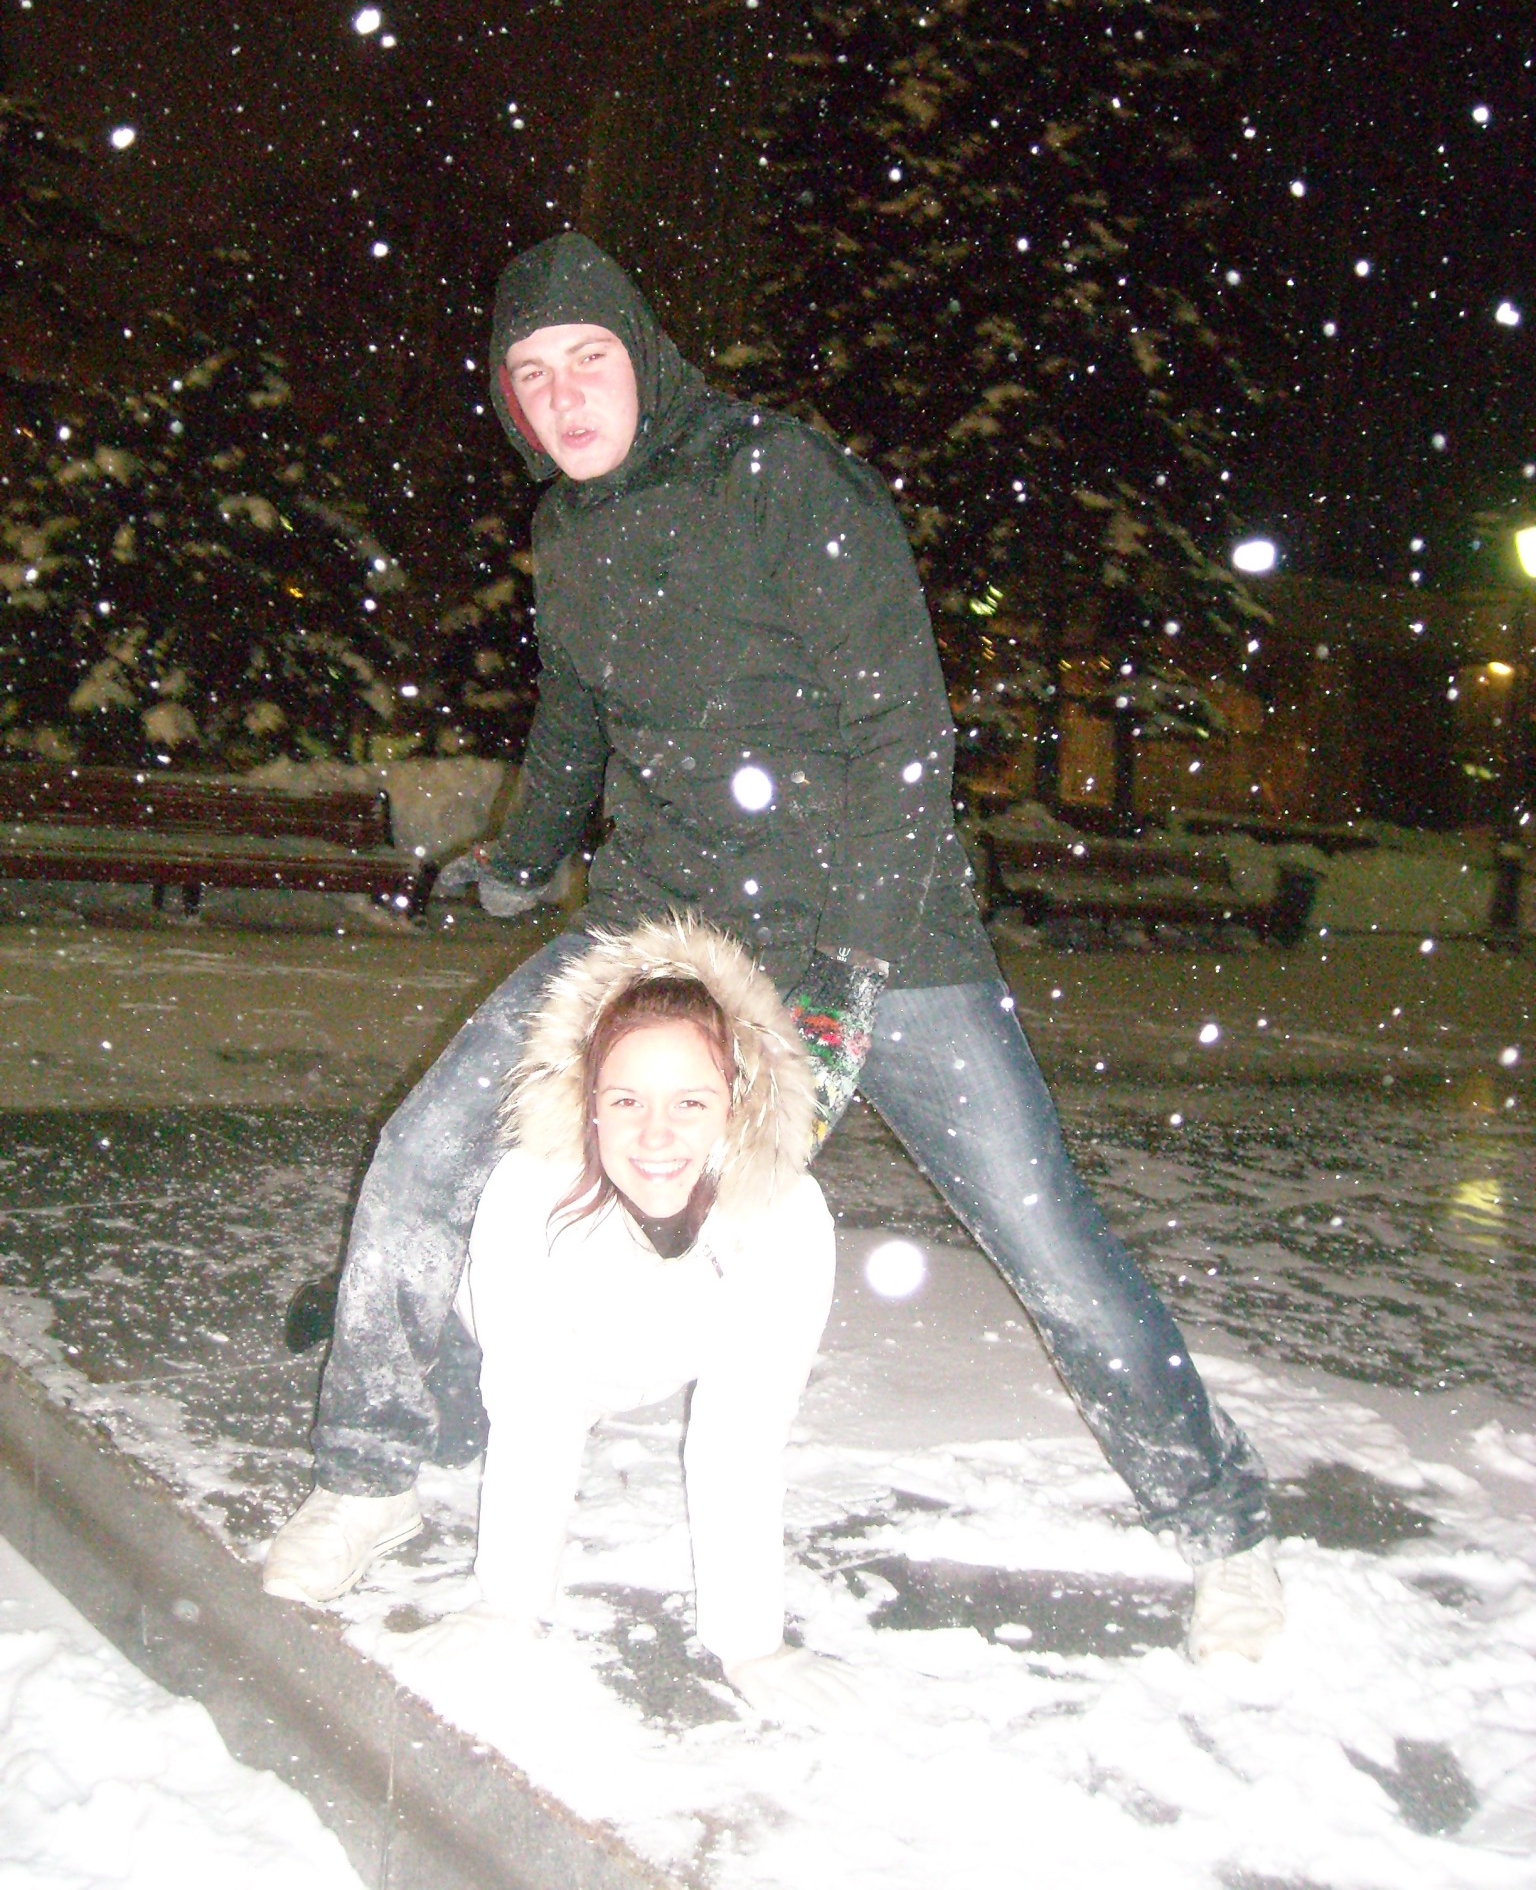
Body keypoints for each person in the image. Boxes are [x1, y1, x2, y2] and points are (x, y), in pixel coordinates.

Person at [263, 233, 1282, 1664]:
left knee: (1041, 1226)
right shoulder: (568, 530)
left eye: (589, 359)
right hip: (659, 918)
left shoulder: (783, 479)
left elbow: (900, 734)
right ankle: (373, 1471)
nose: (564, 397)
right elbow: (577, 717)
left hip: (877, 919)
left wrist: (847, 975)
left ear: (644, 356)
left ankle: (1224, 1527)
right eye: (531, 377)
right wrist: (526, 857)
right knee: (428, 1155)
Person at [437, 914, 857, 1725]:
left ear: (738, 1105)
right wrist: (506, 1605)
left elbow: (742, 1427)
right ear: (588, 1102)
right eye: (625, 1099)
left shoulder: (787, 1215)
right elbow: (532, 1400)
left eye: (690, 1102)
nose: (655, 1135)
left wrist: (752, 1645)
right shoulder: (528, 1192)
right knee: (452, 1430)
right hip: (480, 1337)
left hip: (646, 1342)